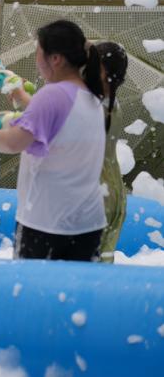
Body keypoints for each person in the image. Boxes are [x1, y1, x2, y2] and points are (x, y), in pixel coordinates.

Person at [0, 20, 106, 261]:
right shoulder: (90, 96)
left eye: (38, 52)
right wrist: (21, 95)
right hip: (88, 224)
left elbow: (14, 142)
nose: (36, 60)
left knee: (32, 295)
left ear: (55, 59)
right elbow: (55, 122)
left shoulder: (52, 94)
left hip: (47, 223)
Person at [95, 42, 128, 262]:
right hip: (114, 192)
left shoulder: (92, 108)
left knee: (81, 270)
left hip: (95, 193)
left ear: (103, 71)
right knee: (103, 262)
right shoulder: (114, 106)